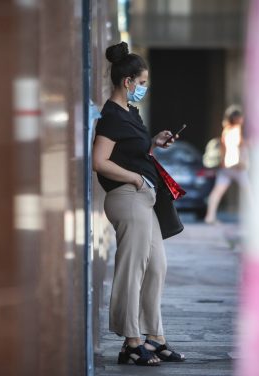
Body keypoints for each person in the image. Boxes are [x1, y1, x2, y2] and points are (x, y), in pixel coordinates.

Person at [92, 41, 186, 366]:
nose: (144, 88)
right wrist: (133, 178)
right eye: (142, 83)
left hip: (145, 200)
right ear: (127, 81)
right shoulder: (111, 117)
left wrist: (153, 143)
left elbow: (133, 151)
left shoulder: (130, 113)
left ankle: (154, 337)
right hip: (128, 198)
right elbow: (99, 161)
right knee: (132, 269)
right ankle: (131, 342)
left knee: (157, 266)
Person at [204, 105, 251, 224]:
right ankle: (255, 217)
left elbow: (225, 149)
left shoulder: (226, 130)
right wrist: (242, 160)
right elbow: (238, 147)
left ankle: (210, 217)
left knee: (217, 192)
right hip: (237, 166)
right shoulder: (236, 130)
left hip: (226, 166)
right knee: (248, 191)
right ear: (237, 118)